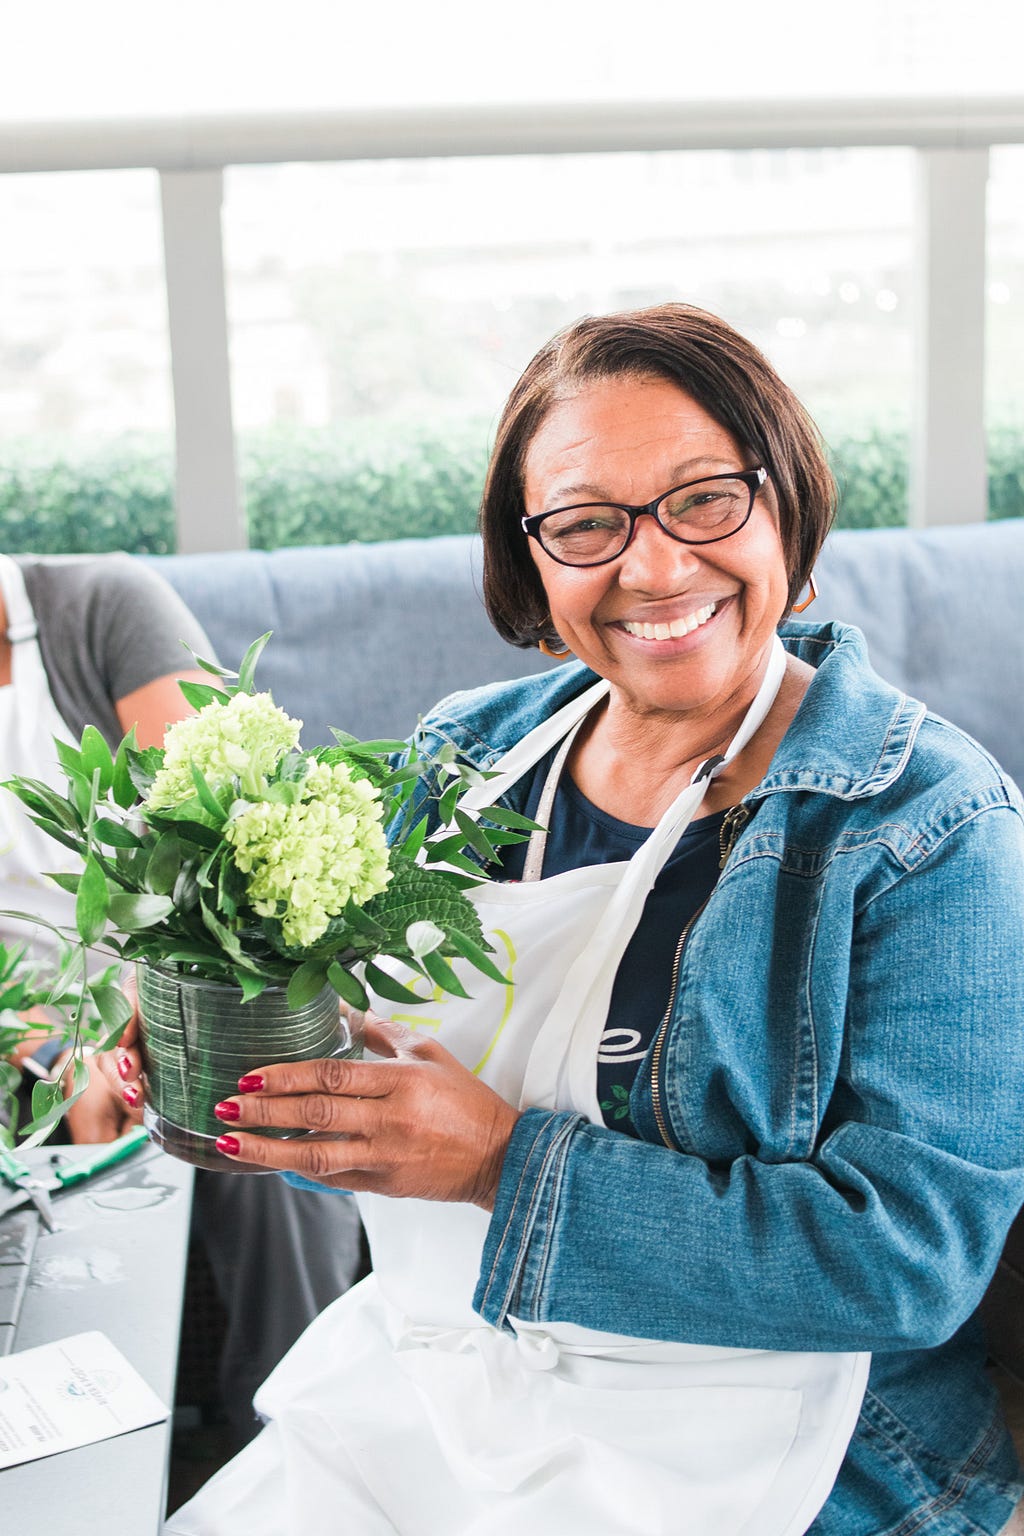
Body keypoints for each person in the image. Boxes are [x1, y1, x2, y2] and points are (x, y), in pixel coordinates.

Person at [141, 305, 1024, 1535]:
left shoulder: (927, 822)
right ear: (531, 555)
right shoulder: (468, 758)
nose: (655, 568)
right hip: (441, 1386)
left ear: (787, 503)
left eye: (706, 498)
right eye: (587, 523)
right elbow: (389, 1118)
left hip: (783, 1453)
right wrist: (238, 1066)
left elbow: (904, 1261)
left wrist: (500, 1164)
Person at [0, 551, 364, 1444]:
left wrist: (125, 1024)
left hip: (173, 976)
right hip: (21, 1012)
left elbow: (209, 849)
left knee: (266, 1125)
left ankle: (290, 1446)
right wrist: (41, 1037)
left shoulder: (99, 610)